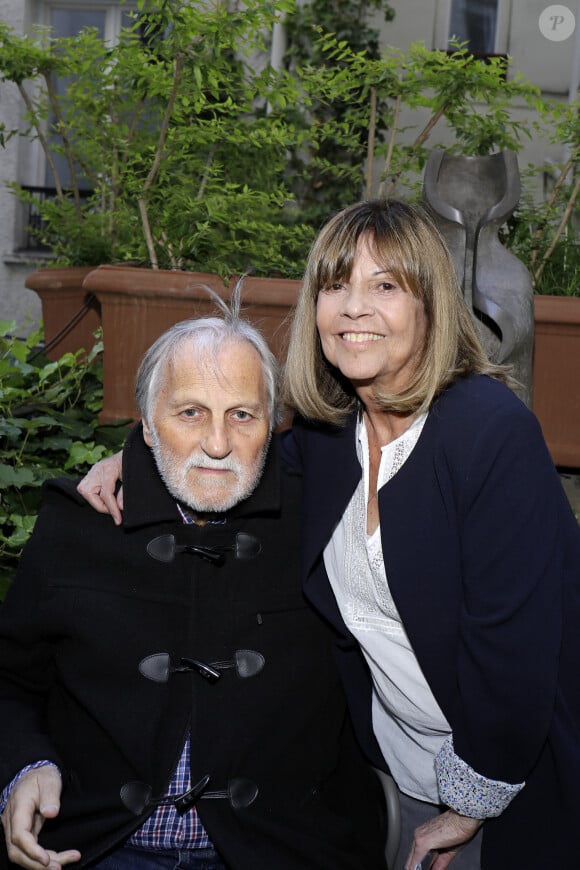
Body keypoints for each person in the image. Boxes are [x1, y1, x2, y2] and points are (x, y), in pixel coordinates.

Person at [76, 199, 580, 870]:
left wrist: (470, 802)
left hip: (515, 771)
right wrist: (134, 458)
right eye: (336, 285)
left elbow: (512, 646)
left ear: (431, 304)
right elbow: (237, 462)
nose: (353, 307)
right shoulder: (328, 435)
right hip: (397, 772)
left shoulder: (489, 434)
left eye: (385, 286)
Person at [0, 297, 387, 870]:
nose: (217, 444)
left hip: (275, 852)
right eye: (189, 413)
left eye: (242, 414)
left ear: (273, 427)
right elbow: (8, 681)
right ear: (149, 427)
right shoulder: (78, 524)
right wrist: (25, 769)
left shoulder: (322, 528)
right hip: (98, 848)